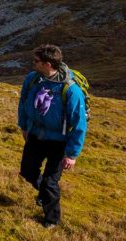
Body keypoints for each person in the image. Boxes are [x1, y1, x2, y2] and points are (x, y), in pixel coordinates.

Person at [17, 44, 87, 228]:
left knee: (50, 182)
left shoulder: (71, 91)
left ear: (48, 65)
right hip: (35, 135)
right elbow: (23, 102)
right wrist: (24, 126)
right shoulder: (33, 79)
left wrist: (72, 155)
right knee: (27, 171)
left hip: (59, 141)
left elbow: (80, 124)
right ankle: (43, 194)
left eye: (36, 61)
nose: (33, 64)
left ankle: (51, 220)